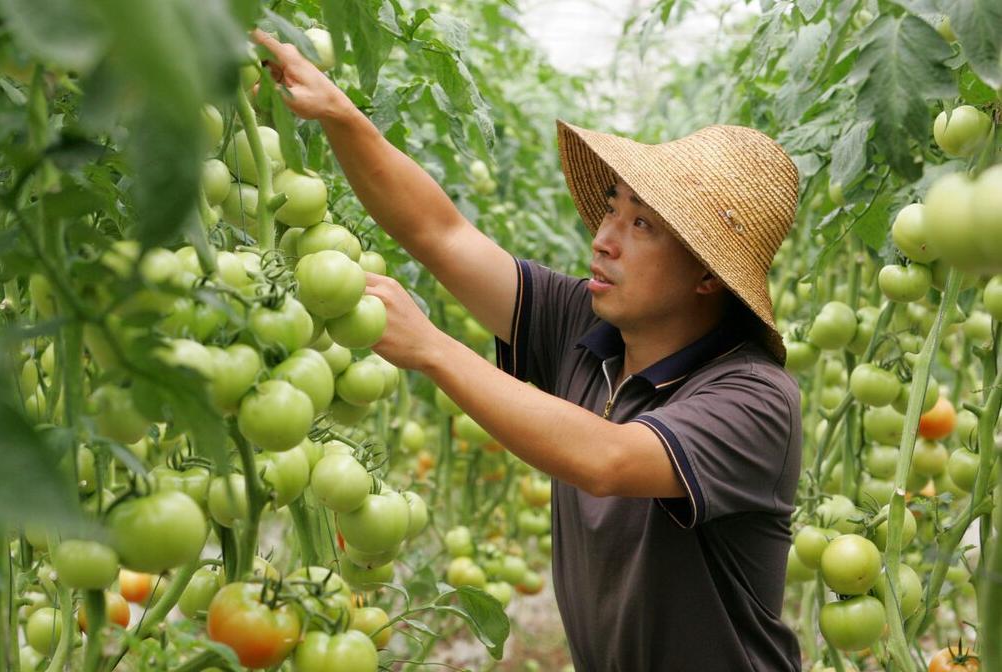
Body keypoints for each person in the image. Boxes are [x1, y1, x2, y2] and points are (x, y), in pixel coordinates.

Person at [253, 29, 804, 671]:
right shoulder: (583, 326)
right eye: (611, 208)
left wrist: (434, 348)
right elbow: (441, 234)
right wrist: (339, 115)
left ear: (708, 275)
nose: (603, 239)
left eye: (642, 224)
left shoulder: (755, 398)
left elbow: (610, 460)